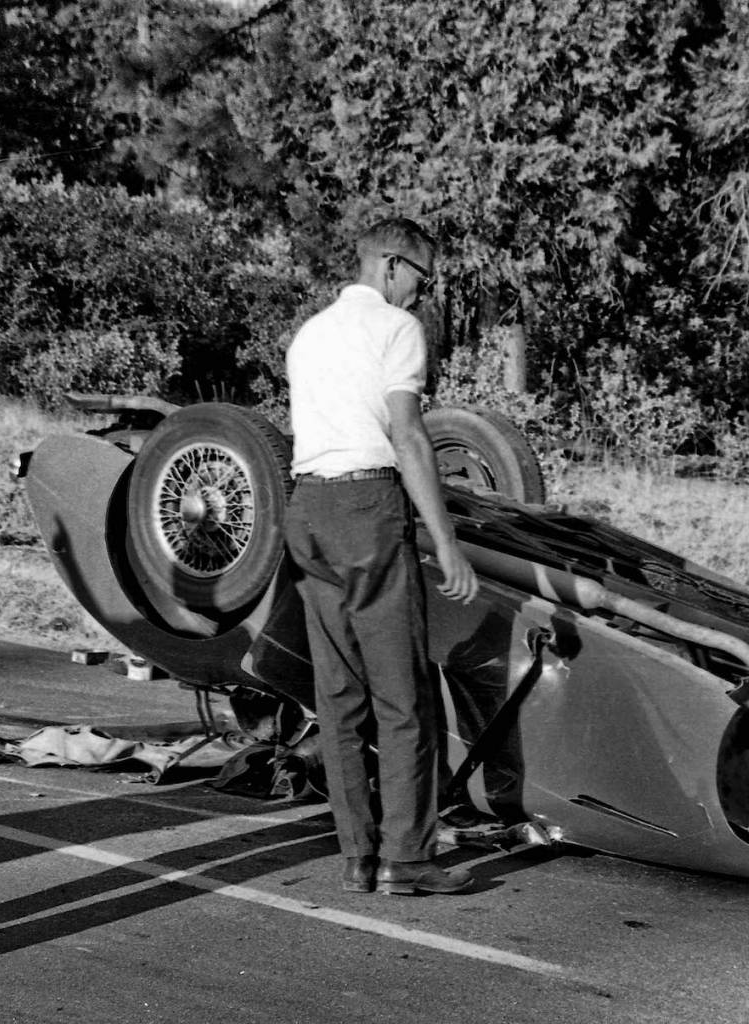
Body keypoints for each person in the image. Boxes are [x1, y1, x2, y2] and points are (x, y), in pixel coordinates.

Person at [283, 217, 479, 896]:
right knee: (403, 695)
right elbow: (407, 434)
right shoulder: (398, 330)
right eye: (421, 280)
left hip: (305, 509)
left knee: (338, 698)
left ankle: (357, 858)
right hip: (368, 508)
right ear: (393, 266)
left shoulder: (309, 335)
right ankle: (409, 859)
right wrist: (446, 541)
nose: (422, 296)